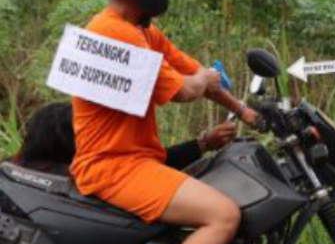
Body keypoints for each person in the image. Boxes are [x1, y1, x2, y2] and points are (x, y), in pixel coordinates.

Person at [70, 0, 258, 244]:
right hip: (114, 167)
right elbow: (188, 88)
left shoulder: (140, 30)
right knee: (223, 215)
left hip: (135, 161)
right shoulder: (113, 32)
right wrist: (205, 78)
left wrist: (243, 110)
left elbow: (194, 70)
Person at [12, 102, 237, 175]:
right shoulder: (76, 177)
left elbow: (144, 164)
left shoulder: (15, 168)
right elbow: (142, 169)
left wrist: (202, 144)